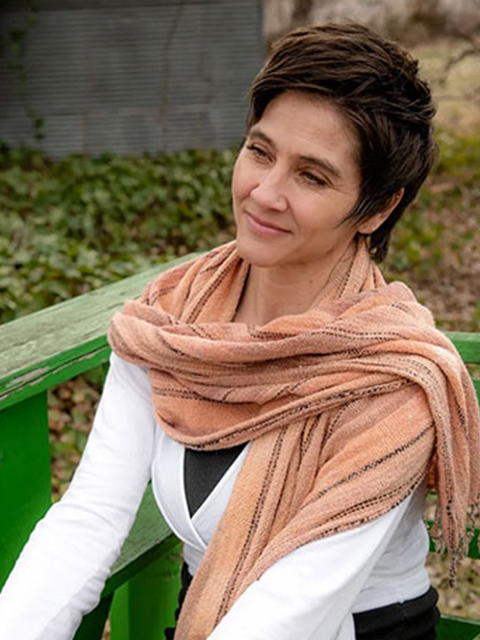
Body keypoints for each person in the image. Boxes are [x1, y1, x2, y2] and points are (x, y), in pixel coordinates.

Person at [0, 22, 479, 640]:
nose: (264, 192)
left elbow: (289, 612)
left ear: (378, 208)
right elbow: (89, 519)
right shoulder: (170, 320)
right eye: (259, 151)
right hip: (204, 619)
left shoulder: (390, 381)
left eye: (313, 176)